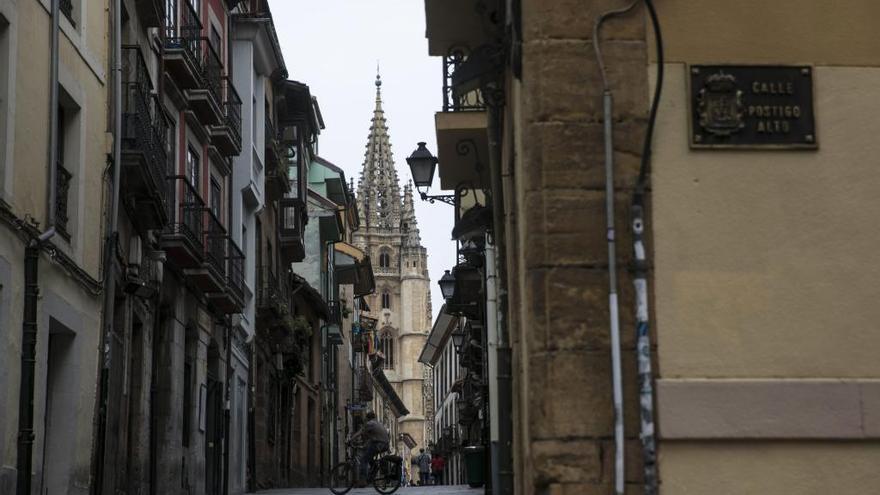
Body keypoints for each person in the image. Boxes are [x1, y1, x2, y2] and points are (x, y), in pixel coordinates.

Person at [350, 411, 390, 482]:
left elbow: (360, 432)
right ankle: (373, 471)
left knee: (363, 460)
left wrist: (351, 439)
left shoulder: (370, 423)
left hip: (379, 444)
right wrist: (363, 445)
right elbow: (371, 439)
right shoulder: (378, 423)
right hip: (385, 445)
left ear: (367, 418)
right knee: (369, 456)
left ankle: (363, 480)